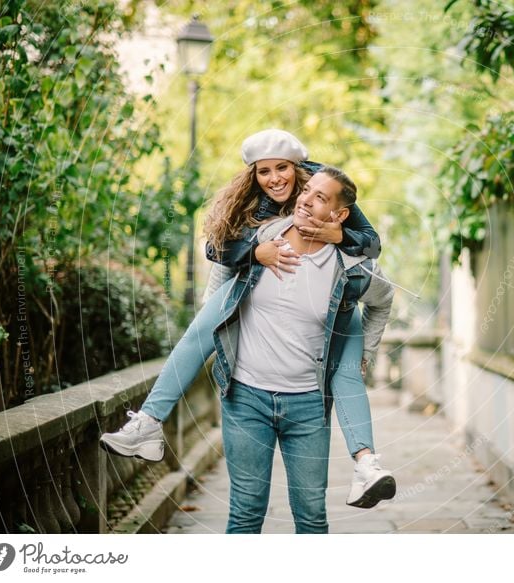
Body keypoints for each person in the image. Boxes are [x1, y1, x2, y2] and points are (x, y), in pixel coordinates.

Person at [100, 129, 395, 509]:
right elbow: (217, 251)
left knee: (348, 371)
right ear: (252, 174)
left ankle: (367, 464)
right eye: (264, 171)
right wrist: (255, 254)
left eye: (283, 169)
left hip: (335, 305)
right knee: (199, 332)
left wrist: (339, 234)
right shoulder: (257, 210)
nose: (275, 179)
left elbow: (371, 243)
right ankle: (149, 423)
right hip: (255, 315)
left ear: (300, 168)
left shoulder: (326, 185)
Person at [219, 165, 394, 533]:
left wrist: (368, 352)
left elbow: (384, 298)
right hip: (246, 397)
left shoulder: (351, 267)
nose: (306, 200)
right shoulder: (262, 239)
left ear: (340, 215)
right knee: (245, 513)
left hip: (308, 404)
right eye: (307, 191)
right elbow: (216, 276)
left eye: (320, 197)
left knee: (312, 517)